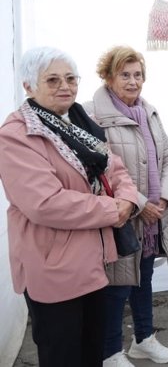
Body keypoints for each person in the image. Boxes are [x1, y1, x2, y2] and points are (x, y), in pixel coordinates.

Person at [0, 47, 139, 367]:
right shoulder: (18, 134)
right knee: (62, 355)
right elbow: (45, 203)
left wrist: (129, 200)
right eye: (52, 80)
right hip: (52, 266)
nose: (65, 86)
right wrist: (111, 209)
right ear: (28, 86)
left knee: (92, 351)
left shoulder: (80, 121)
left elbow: (115, 169)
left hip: (93, 260)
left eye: (70, 78)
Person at [83, 46, 168, 366]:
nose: (132, 81)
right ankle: (110, 351)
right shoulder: (91, 115)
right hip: (120, 216)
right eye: (124, 74)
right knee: (117, 287)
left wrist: (163, 199)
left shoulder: (149, 112)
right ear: (108, 77)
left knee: (144, 279)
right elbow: (98, 172)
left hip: (153, 216)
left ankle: (143, 339)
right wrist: (140, 204)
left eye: (137, 75)